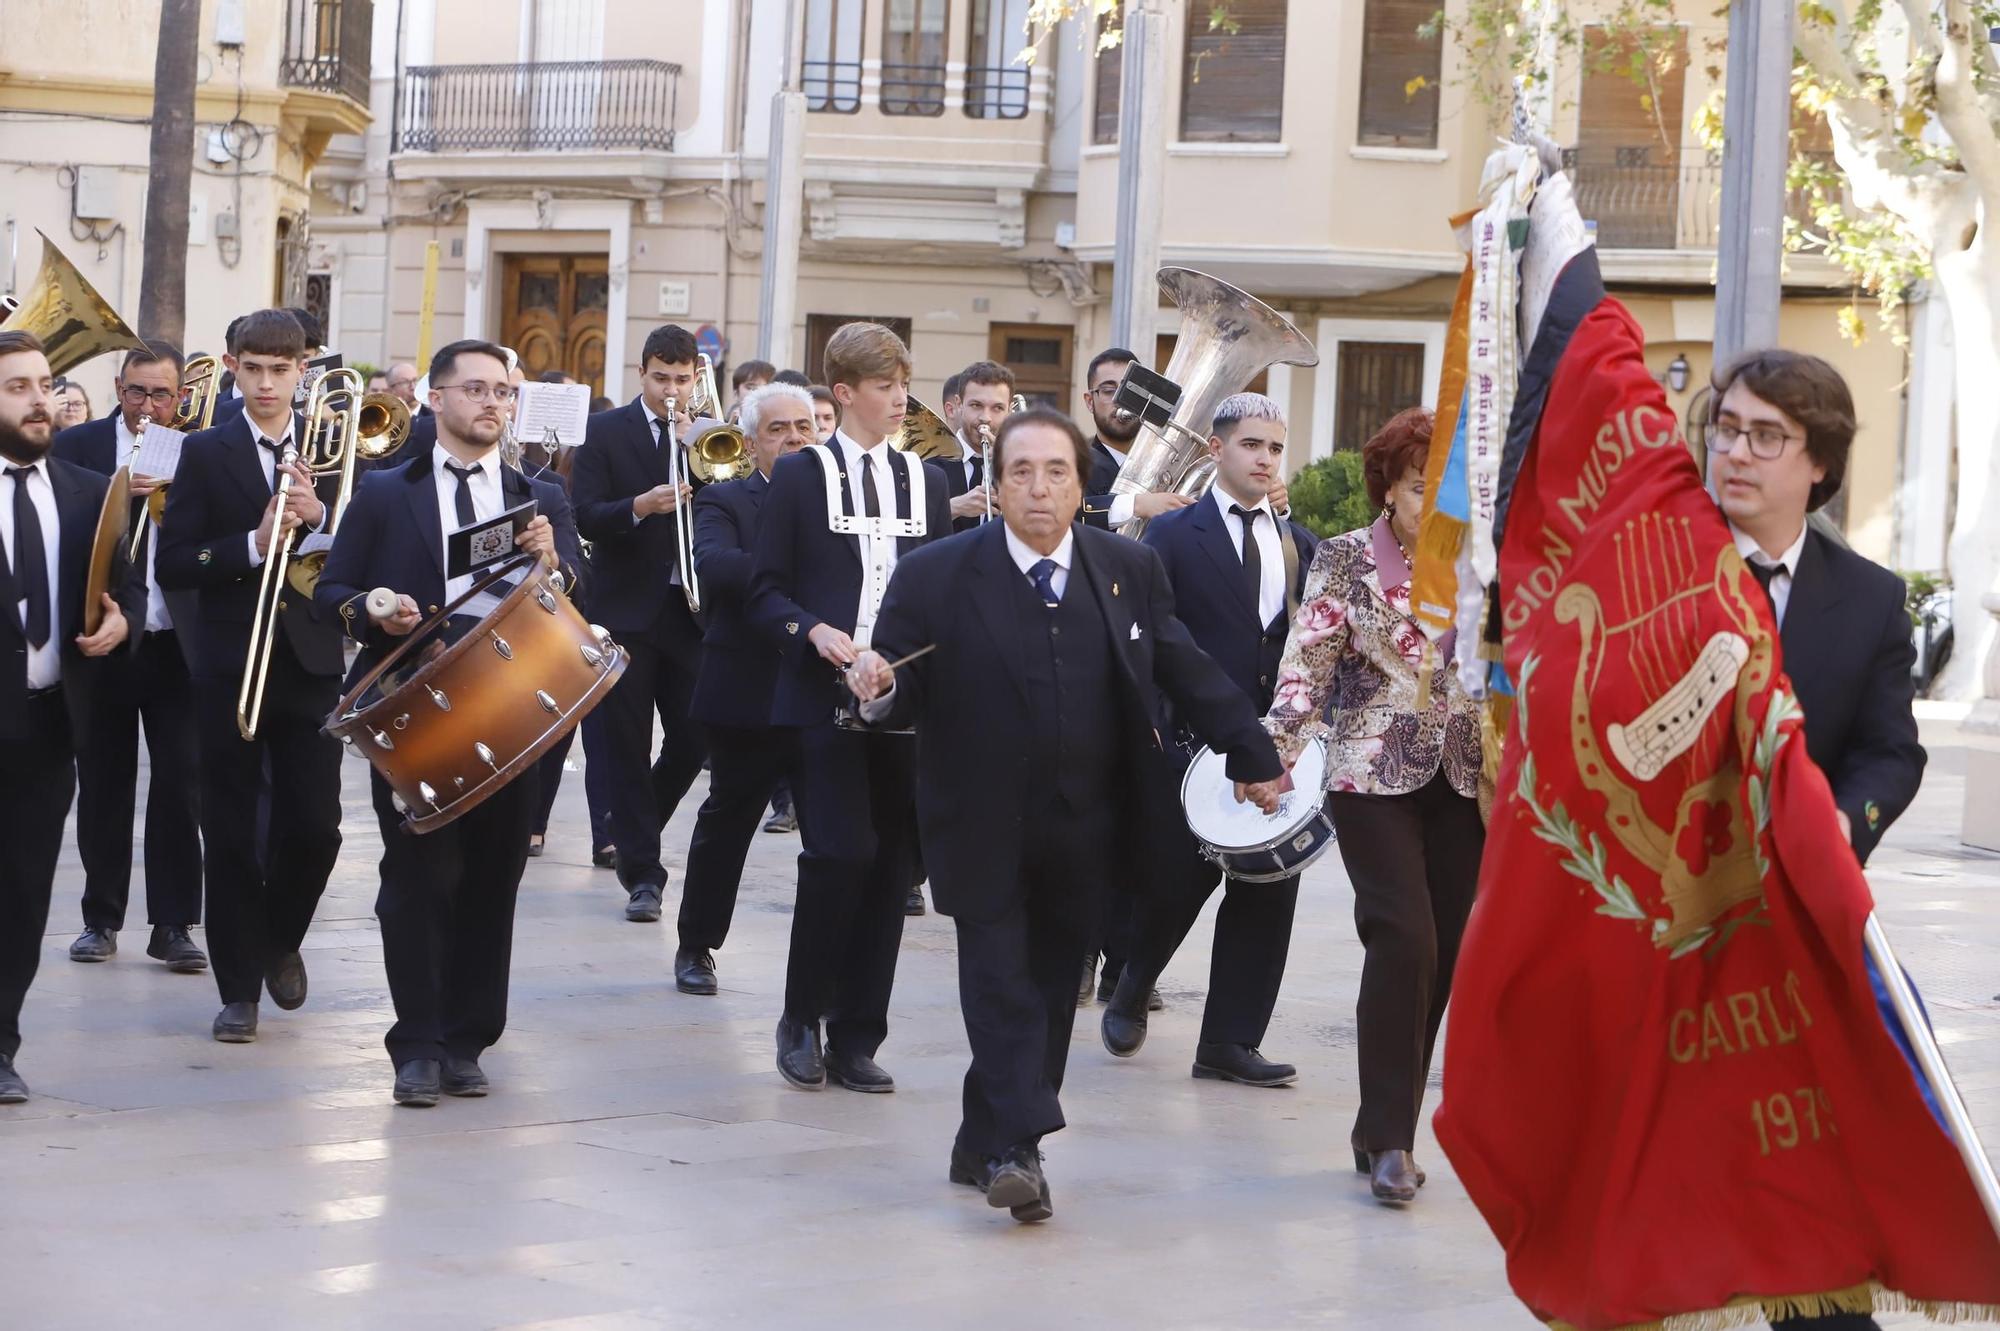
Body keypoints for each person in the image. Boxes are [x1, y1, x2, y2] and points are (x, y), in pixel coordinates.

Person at [846, 407, 1287, 1222]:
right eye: (1021, 471)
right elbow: (899, 681)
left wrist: (1254, 753)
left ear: (1082, 484)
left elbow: (1183, 666)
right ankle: (1019, 1148)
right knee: (998, 983)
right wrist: (876, 688)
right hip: (976, 824)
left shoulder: (1126, 568)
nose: (1039, 489)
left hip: (1088, 824)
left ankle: (981, 1139)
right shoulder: (936, 576)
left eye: (1056, 471)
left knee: (1051, 993)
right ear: (997, 482)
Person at [1704, 350, 1929, 1331]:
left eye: (1764, 435)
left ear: (1818, 466)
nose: (1733, 452)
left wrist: (1842, 820)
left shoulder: (1872, 598)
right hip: (1659, 931)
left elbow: (1891, 751)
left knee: (1805, 1188)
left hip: (1792, 937)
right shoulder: (1646, 569)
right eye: (1723, 426)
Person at [316, 339, 582, 1106]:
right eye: (474, 389)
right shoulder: (382, 492)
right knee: (416, 878)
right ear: (435, 400)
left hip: (512, 705)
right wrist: (377, 608)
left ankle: (469, 1037)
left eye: (503, 391)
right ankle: (420, 1043)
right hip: (415, 702)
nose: (492, 403)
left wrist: (553, 562)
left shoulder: (539, 497)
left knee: (494, 875)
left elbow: (576, 589)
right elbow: (332, 586)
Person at [1263, 406, 1482, 1204]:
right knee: (1404, 936)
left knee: (1444, 954)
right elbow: (1305, 663)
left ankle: (1376, 1121)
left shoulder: (1484, 564)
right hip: (1369, 771)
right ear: (1390, 488)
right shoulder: (1348, 561)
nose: (1439, 506)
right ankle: (1394, 1140)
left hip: (1466, 775)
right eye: (1425, 488)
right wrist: (1272, 756)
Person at [747, 320, 951, 1093]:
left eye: (903, 382)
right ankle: (800, 1017)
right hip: (818, 692)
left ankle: (859, 1034)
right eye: (884, 385)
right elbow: (766, 591)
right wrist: (817, 632)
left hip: (900, 698)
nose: (901, 398)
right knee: (838, 854)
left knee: (892, 863)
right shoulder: (801, 476)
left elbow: (930, 593)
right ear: (844, 392)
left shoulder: (926, 480)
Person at [1102, 392, 1318, 1085]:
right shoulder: (1172, 535)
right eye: (1251, 444)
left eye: (1275, 447)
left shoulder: (1298, 542)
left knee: (1269, 887)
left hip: (1274, 743)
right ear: (1216, 450)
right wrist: (1163, 728)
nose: (1264, 458)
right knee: (1176, 879)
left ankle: (1229, 1040)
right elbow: (1151, 638)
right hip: (1193, 740)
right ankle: (1134, 981)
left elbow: (1304, 644)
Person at [157, 308, 347, 1045]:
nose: (267, 383)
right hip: (231, 659)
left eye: (282, 369)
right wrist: (251, 541)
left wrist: (320, 514)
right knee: (232, 831)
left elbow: (366, 548)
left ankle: (278, 936)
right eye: (254, 368)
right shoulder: (203, 453)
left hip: (310, 659)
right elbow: (175, 561)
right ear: (232, 366)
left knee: (317, 826)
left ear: (304, 370)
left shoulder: (335, 449)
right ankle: (238, 991)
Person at [0, 330, 138, 1105]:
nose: (40, 400)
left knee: (21, 896)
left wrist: (122, 622)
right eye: (17, 386)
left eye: (45, 384)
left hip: (49, 727)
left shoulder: (90, 490)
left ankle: (1, 1043)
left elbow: (128, 586)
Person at [51, 341, 206, 972]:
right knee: (104, 783)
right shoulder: (79, 445)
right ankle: (100, 917)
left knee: (180, 783)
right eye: (136, 392)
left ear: (181, 398)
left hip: (177, 643)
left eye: (161, 394)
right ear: (118, 388)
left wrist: (173, 500)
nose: (147, 406)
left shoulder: (200, 451)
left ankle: (173, 924)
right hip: (105, 639)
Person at [673, 383, 816, 995]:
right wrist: (797, 567)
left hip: (818, 689)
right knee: (728, 821)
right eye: (778, 429)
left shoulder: (836, 498)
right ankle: (695, 945)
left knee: (832, 836)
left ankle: (818, 966)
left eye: (803, 427)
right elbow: (715, 566)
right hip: (745, 689)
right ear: (753, 440)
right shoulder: (724, 499)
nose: (793, 439)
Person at [568, 325, 712, 923]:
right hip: (626, 612)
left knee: (697, 737)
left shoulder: (709, 436)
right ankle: (643, 875)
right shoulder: (606, 430)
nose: (672, 390)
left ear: (696, 379)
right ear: (642, 373)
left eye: (683, 380)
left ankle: (637, 823)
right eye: (662, 378)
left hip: (691, 613)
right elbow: (585, 516)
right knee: (626, 746)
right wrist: (639, 507)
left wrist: (698, 449)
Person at [938, 361, 1011, 533]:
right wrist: (953, 508)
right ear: (959, 404)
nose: (986, 417)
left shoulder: (1018, 468)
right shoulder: (928, 462)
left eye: (997, 408)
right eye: (976, 405)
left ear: (1009, 412)